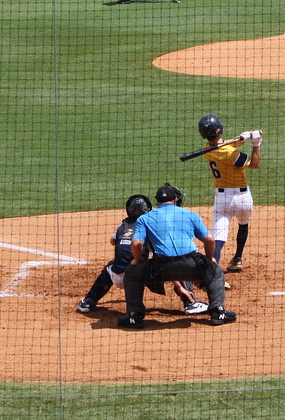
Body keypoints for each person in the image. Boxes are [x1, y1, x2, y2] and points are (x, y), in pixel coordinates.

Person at [119, 183, 236, 329]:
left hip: (161, 268)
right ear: (175, 200)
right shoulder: (189, 214)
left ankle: (134, 317)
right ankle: (218, 313)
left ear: (157, 201)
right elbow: (210, 240)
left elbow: (136, 244)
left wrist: (137, 260)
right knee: (216, 272)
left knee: (131, 272)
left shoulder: (145, 218)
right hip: (191, 265)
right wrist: (210, 258)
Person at [76, 194, 208, 315]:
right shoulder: (149, 226)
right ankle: (190, 303)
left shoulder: (122, 226)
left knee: (110, 267)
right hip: (139, 277)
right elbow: (162, 258)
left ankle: (88, 301)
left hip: (117, 276)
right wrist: (179, 286)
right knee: (175, 264)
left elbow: (112, 241)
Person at [197, 114, 261, 275]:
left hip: (222, 199)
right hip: (242, 198)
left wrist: (241, 139)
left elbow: (226, 145)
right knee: (243, 224)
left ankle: (213, 269)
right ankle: (237, 258)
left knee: (218, 237)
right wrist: (256, 144)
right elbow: (254, 163)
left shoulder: (207, 150)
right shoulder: (229, 153)